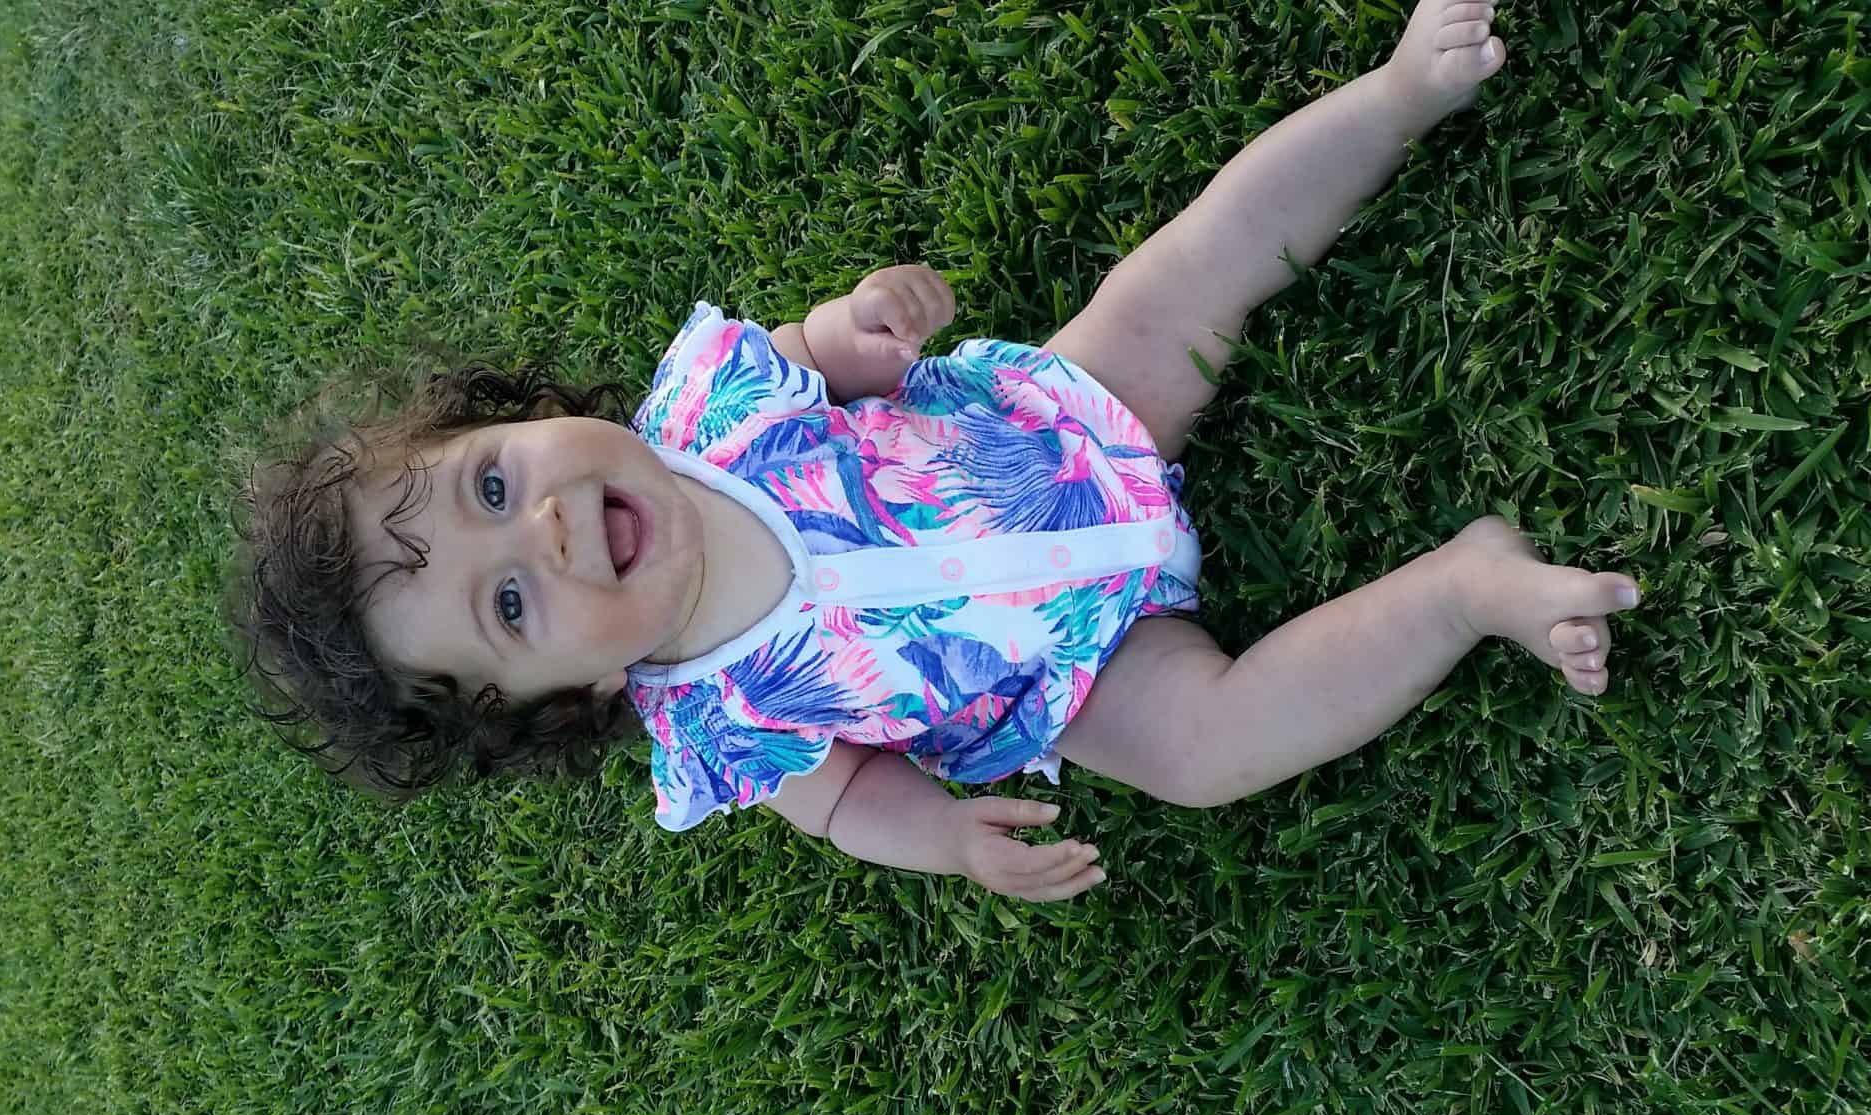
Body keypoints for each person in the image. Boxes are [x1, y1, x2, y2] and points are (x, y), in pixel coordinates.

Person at [230, 0, 1639, 902]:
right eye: (510, 604)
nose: (538, 528)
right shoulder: (718, 728)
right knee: (1207, 749)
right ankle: (1462, 588)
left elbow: (821, 352)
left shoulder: (709, 409)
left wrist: (863, 327)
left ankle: (1397, 93)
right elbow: (850, 796)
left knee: (1186, 274)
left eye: (491, 480)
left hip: (1053, 429)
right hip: (1071, 673)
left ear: (518, 413)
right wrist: (950, 842)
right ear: (565, 697)